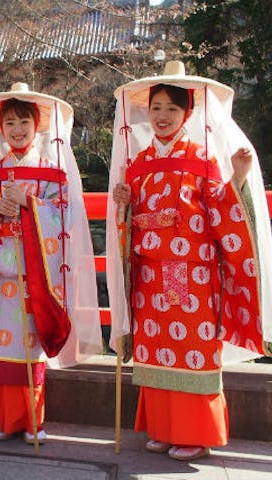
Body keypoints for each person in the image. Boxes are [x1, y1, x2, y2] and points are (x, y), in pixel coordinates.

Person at [107, 61, 272, 461]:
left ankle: (195, 433)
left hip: (191, 274)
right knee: (156, 350)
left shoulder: (200, 157)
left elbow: (219, 206)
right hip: (150, 274)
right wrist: (124, 205)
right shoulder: (139, 161)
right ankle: (163, 428)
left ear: (188, 114)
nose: (162, 117)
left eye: (172, 110)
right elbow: (130, 223)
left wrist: (237, 177)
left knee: (190, 351)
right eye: (156, 108)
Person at [0, 83, 101, 445]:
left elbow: (67, 218)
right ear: (0, 129)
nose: (17, 130)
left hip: (33, 278)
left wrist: (30, 204)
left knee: (28, 350)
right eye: (10, 123)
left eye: (24, 122)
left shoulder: (53, 172)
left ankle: (31, 420)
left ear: (37, 126)